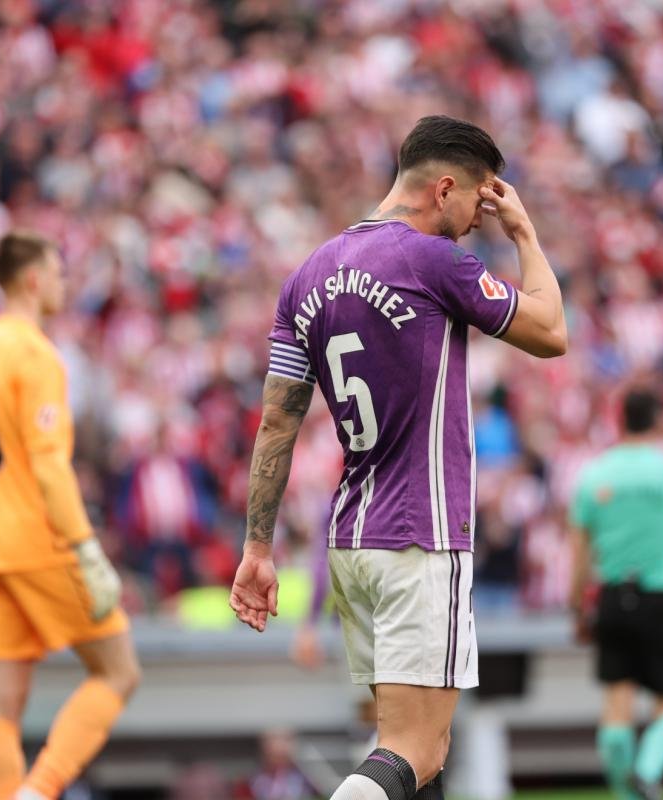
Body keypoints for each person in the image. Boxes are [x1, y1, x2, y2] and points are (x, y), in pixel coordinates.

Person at [229, 114, 566, 800]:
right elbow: (551, 331)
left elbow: (277, 422)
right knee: (414, 749)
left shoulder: (307, 276)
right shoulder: (432, 260)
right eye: (476, 202)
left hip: (353, 540)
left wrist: (257, 547)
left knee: (418, 755)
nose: (475, 223)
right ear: (444, 189)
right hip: (420, 533)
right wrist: (525, 234)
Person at [0, 231, 141, 800]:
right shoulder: (34, 354)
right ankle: (40, 790)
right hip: (36, 540)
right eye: (58, 273)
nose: (63, 283)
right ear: (33, 279)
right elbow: (49, 465)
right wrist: (86, 547)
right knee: (118, 670)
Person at [569, 389, 663, 800]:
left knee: (617, 705)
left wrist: (577, 608)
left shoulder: (595, 473)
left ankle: (628, 793)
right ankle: (647, 773)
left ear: (620, 421)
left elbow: (579, 552)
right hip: (662, 599)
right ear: (658, 421)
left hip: (612, 597)